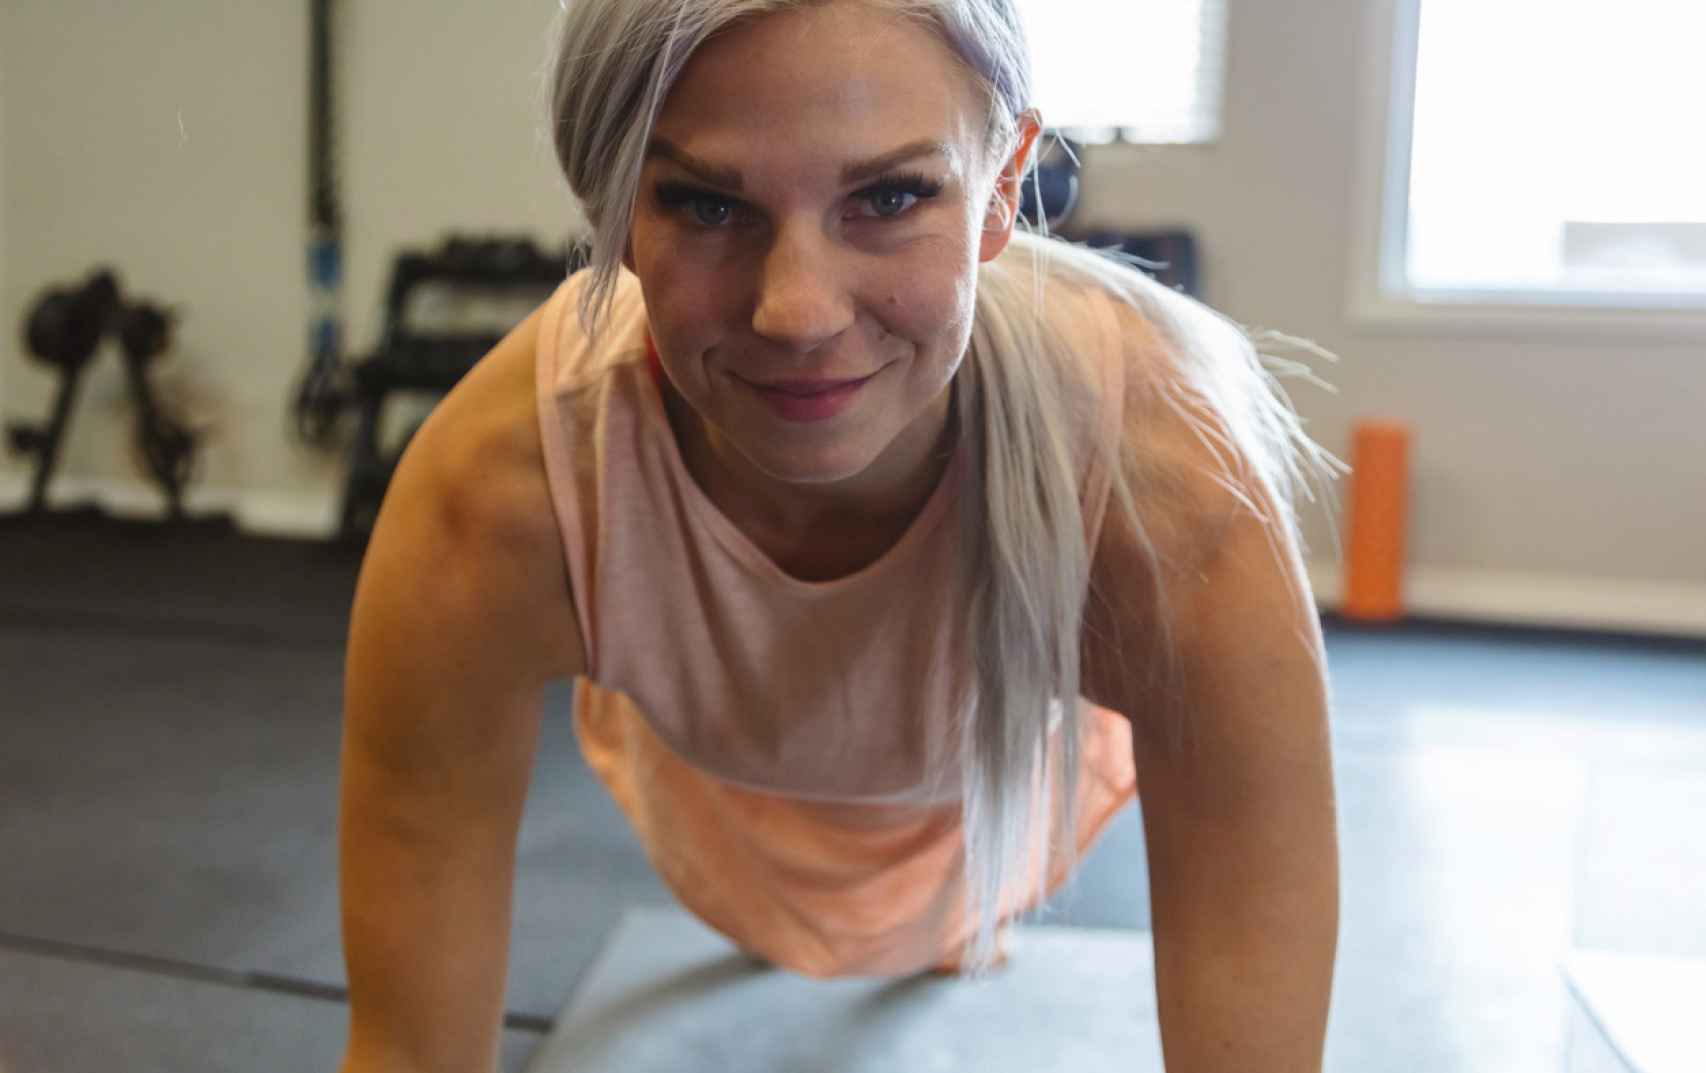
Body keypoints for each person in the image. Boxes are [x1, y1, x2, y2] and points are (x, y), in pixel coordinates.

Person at [336, 1, 1346, 1071]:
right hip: (712, 785)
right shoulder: (501, 495)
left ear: (1003, 185)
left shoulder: (1168, 491)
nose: (798, 315)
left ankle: (957, 918)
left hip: (986, 766)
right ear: (614, 208)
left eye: (891, 194)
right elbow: (405, 1046)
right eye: (706, 205)